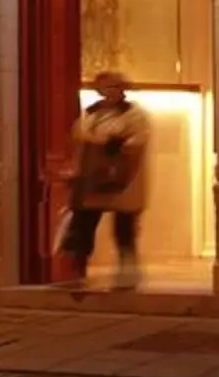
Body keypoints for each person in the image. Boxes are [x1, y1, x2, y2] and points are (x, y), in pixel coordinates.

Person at [56, 69, 151, 294]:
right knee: (84, 223)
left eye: (116, 86)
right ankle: (76, 271)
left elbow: (137, 139)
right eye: (106, 87)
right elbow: (78, 135)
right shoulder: (91, 112)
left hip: (123, 178)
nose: (111, 91)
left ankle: (127, 275)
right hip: (92, 177)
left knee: (124, 228)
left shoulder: (134, 114)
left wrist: (112, 142)